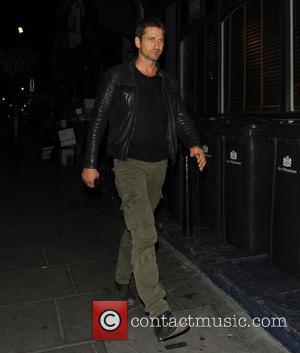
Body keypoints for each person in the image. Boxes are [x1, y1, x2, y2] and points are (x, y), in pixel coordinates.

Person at [81, 17, 206, 341]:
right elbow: (98, 121)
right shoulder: (117, 77)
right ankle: (159, 311)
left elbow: (179, 117)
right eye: (150, 39)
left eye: (160, 40)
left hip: (159, 166)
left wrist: (192, 143)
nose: (157, 45)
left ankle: (122, 282)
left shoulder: (167, 82)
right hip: (129, 165)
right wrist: (90, 163)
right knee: (146, 232)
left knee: (136, 227)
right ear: (137, 42)